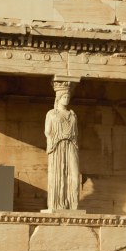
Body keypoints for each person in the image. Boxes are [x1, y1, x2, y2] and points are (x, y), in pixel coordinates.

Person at [45, 82, 80, 211]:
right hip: (57, 146)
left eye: (68, 96)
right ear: (58, 98)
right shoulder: (51, 114)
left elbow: (76, 132)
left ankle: (72, 204)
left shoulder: (72, 114)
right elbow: (47, 131)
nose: (67, 99)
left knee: (74, 175)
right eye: (64, 96)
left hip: (71, 145)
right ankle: (57, 204)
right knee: (58, 174)